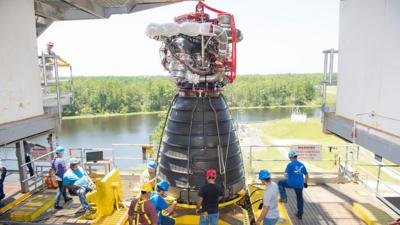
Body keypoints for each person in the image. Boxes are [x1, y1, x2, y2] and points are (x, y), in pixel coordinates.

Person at [278, 150, 309, 220]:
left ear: (291, 157)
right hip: (300, 185)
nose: (290, 159)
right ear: (296, 157)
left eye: (290, 158)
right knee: (299, 198)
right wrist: (305, 183)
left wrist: (288, 176)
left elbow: (285, 174)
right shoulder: (302, 165)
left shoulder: (290, 165)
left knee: (280, 182)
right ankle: (300, 214)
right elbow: (306, 175)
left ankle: (284, 197)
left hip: (291, 183)